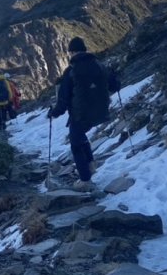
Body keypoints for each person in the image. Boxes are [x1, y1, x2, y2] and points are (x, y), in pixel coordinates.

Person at [47, 36, 120, 186]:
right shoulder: (99, 65)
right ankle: (91, 165)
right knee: (80, 135)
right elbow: (115, 86)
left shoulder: (71, 71)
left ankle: (85, 179)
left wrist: (53, 113)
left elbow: (63, 100)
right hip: (101, 112)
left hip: (80, 115)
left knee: (75, 143)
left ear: (72, 52)